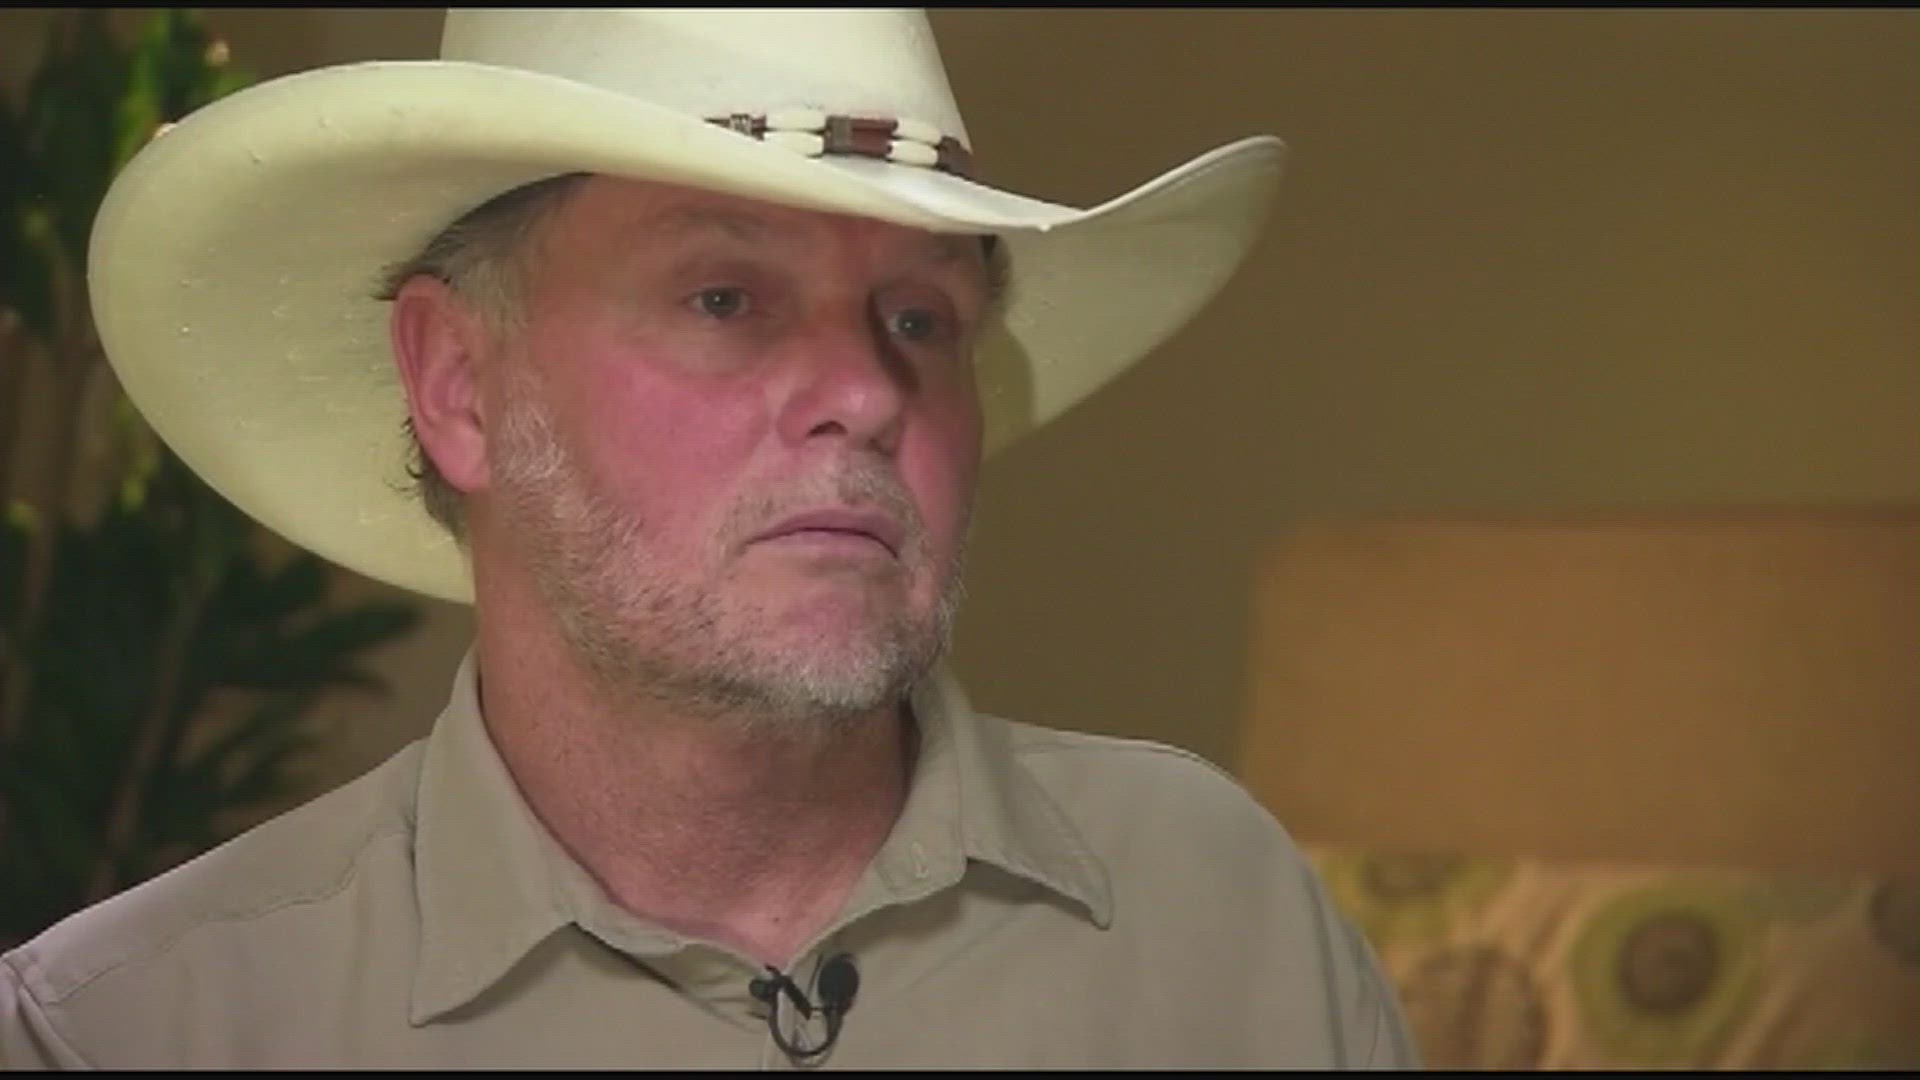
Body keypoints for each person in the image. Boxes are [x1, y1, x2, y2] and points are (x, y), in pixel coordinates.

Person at [0, 8, 1418, 1068]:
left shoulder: (1222, 914)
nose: (869, 391)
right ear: (459, 384)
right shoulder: (140, 1028)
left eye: (920, 318)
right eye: (725, 297)